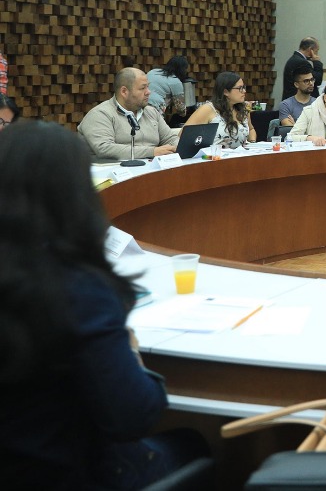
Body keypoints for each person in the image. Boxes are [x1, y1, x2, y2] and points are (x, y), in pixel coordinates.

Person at [0, 121, 209, 489]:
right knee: (193, 444)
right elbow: (133, 417)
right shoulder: (77, 289)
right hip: (66, 474)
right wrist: (133, 355)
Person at [78, 68, 180, 161]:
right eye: (142, 88)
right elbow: (105, 148)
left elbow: (170, 138)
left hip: (151, 170)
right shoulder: (100, 114)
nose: (148, 92)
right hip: (112, 171)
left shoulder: (151, 112)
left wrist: (180, 147)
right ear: (124, 91)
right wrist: (152, 152)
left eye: (148, 87)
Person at [184, 71, 257, 148]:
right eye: (240, 88)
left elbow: (251, 129)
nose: (244, 91)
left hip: (241, 154)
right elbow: (184, 135)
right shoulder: (208, 109)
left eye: (244, 87)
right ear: (226, 92)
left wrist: (253, 142)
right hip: (215, 154)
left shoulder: (243, 109)